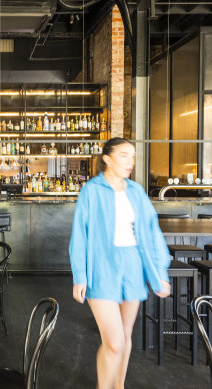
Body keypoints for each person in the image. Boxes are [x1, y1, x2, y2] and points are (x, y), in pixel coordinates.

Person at [69, 137, 171, 389]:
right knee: (113, 341)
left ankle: (119, 386)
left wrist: (160, 273)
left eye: (133, 156)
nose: (131, 161)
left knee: (125, 339)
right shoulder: (91, 190)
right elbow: (79, 234)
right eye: (124, 155)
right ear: (108, 158)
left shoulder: (136, 191)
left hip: (133, 267)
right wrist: (80, 275)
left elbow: (152, 232)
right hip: (101, 268)